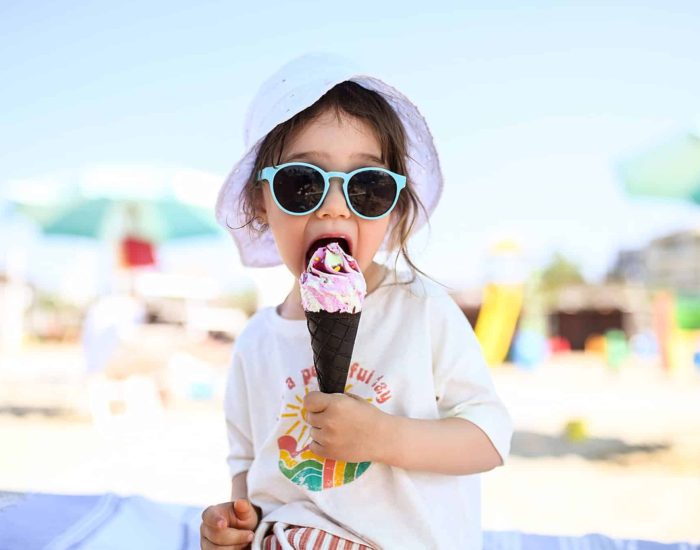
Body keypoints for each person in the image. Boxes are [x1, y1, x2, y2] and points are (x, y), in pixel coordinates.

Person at [200, 53, 513, 550]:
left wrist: (387, 438)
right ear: (261, 202)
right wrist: (235, 523)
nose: (334, 205)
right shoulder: (256, 343)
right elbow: (247, 470)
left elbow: (490, 438)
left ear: (393, 209)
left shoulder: (421, 310)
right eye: (302, 183)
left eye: (367, 188)